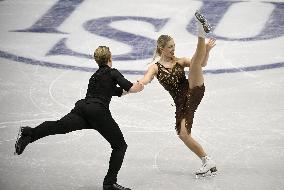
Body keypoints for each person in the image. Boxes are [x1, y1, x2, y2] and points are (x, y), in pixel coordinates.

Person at [14, 46, 143, 190]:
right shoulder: (112, 72)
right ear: (110, 58)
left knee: (60, 126)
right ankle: (109, 183)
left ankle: (29, 134)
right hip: (98, 113)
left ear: (97, 61)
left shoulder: (95, 77)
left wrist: (129, 90)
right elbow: (130, 87)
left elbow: (115, 91)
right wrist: (139, 86)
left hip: (83, 109)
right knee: (120, 146)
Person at [137, 11, 217, 176]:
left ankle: (200, 31)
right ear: (162, 48)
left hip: (193, 89)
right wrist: (139, 84)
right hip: (181, 102)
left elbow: (202, 64)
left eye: (174, 46)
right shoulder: (155, 67)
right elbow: (146, 79)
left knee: (194, 64)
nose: (173, 49)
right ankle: (207, 160)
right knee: (183, 134)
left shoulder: (179, 61)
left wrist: (207, 50)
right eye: (170, 47)